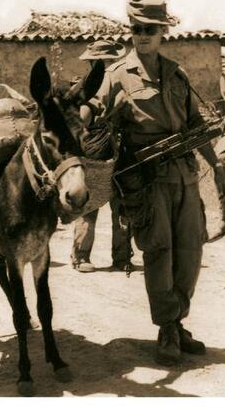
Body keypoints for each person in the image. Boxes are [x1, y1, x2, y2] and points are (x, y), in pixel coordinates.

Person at [83, 0, 225, 365]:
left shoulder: (177, 73)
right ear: (130, 32)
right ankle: (167, 327)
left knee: (191, 253)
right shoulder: (117, 74)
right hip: (148, 182)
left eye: (150, 29)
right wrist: (83, 111)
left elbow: (196, 125)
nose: (143, 35)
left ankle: (178, 321)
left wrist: (218, 168)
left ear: (163, 32)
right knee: (160, 252)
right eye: (136, 29)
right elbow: (95, 110)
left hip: (185, 176)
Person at [71, 40, 133, 273]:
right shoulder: (84, 87)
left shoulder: (125, 84)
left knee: (123, 205)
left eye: (111, 62)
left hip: (122, 147)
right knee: (89, 203)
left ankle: (121, 256)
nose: (109, 66)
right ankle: (81, 255)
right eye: (104, 62)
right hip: (95, 149)